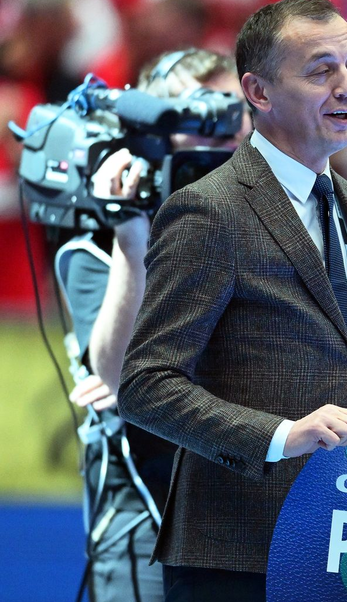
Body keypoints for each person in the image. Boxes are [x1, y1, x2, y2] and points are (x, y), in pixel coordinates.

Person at [118, 0, 347, 601]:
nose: (346, 87)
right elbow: (146, 384)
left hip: (337, 543)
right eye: (321, 71)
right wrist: (281, 436)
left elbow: (346, 371)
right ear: (258, 92)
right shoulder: (208, 210)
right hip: (235, 558)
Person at [59, 47, 246, 602]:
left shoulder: (262, 232)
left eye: (233, 115)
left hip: (242, 516)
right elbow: (119, 375)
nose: (224, 136)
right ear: (155, 135)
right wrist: (130, 236)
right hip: (143, 518)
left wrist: (165, 379)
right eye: (201, 117)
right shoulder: (97, 248)